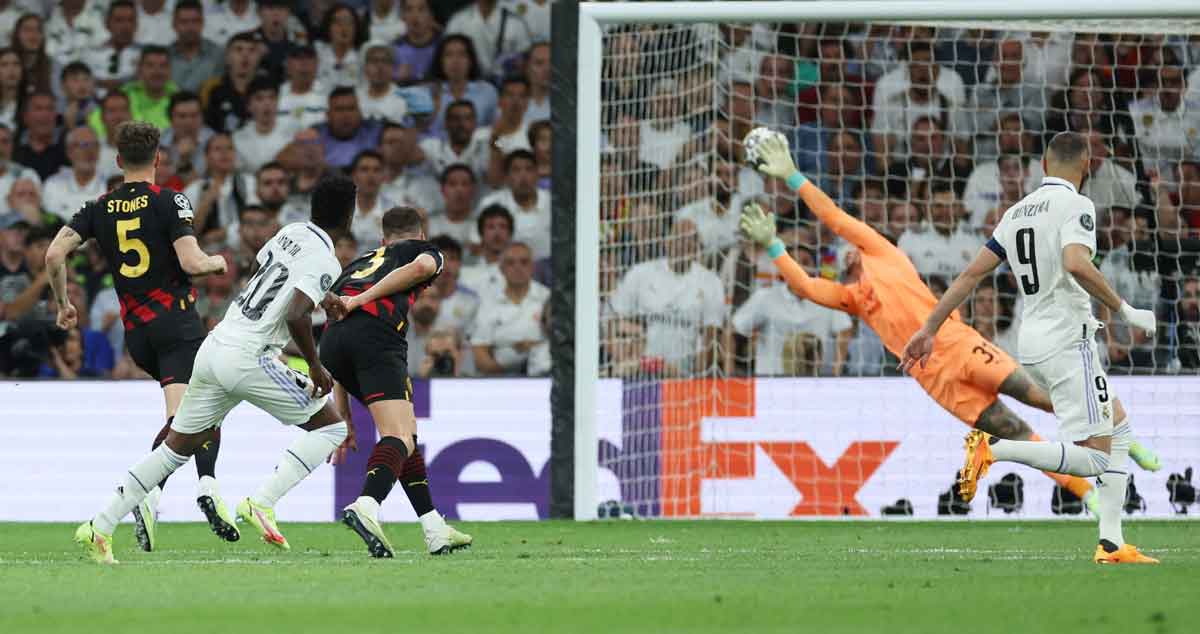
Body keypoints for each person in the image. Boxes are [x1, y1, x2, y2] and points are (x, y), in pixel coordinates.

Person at [740, 127, 1160, 522]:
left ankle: (1124, 436)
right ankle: (1087, 497)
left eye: (846, 248)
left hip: (959, 343)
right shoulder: (852, 299)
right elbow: (806, 286)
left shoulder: (883, 253)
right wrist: (773, 245)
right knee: (1015, 430)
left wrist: (793, 176)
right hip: (935, 377)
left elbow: (833, 215)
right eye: (836, 256)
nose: (844, 252)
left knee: (1041, 397)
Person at [901, 131, 1160, 564]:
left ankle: (1112, 542)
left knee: (1118, 425)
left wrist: (929, 327)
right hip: (1067, 337)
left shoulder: (1016, 212)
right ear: (1087, 167)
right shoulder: (1078, 205)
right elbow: (1076, 262)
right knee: (1097, 458)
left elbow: (968, 277)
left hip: (1033, 338)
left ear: (1042, 165)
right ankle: (993, 449)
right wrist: (1125, 308)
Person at [73, 175, 355, 564]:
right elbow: (295, 314)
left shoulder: (291, 232)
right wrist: (315, 365)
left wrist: (326, 295)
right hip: (250, 356)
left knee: (175, 449)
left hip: (216, 343)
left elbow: (267, 270)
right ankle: (262, 503)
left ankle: (99, 525)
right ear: (350, 215)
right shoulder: (326, 258)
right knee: (333, 427)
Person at [45, 121, 230, 555]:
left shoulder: (97, 206)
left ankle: (164, 494)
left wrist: (62, 304)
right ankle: (190, 488)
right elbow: (191, 262)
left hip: (138, 334)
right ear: (158, 158)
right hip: (177, 323)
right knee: (198, 414)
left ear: (117, 161)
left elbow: (54, 254)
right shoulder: (171, 200)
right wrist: (217, 262)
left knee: (186, 414)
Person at [322, 205, 472, 557]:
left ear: (382, 239)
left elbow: (341, 327)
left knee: (406, 436)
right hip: (377, 337)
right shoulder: (425, 252)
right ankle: (367, 505)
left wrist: (343, 412)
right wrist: (362, 300)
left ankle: (434, 527)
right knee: (398, 437)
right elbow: (420, 268)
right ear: (421, 235)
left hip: (331, 346)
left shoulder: (358, 263)